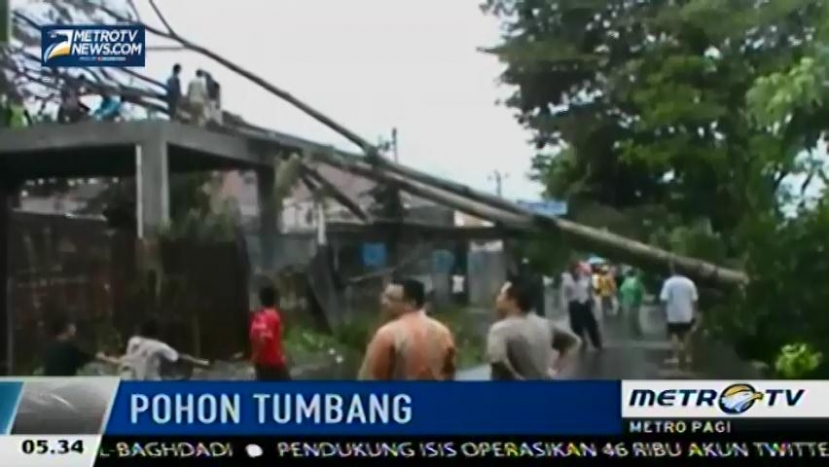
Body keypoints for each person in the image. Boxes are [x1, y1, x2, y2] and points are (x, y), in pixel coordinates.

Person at [358, 279, 455, 380]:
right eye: (384, 296)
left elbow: (370, 378)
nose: (384, 302)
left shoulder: (388, 334)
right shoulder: (443, 332)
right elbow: (449, 375)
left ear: (411, 303)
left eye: (391, 299)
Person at [487, 278, 581, 380]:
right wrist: (554, 369)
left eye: (501, 295)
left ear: (513, 301)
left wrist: (518, 379)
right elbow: (574, 342)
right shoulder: (545, 324)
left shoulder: (499, 329)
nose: (497, 299)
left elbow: (497, 360)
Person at [119, 318, 209, 381]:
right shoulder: (158, 345)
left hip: (130, 379)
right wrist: (198, 361)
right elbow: (178, 356)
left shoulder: (133, 341)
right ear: (156, 333)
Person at [42, 315, 120, 376]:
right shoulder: (69, 348)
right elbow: (91, 357)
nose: (74, 328)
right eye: (72, 325)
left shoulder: (49, 347)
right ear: (67, 328)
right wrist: (112, 360)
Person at [659, 262, 700, 369]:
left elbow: (664, 299)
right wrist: (695, 313)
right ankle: (688, 357)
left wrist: (664, 312)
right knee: (687, 335)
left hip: (672, 314)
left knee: (674, 335)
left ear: (673, 270)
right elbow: (695, 300)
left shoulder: (669, 283)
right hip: (687, 314)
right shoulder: (690, 283)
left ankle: (675, 357)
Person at [249, 285, 291, 381]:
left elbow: (261, 339)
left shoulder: (261, 316)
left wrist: (255, 357)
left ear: (260, 300)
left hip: (265, 364)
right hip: (273, 363)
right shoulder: (274, 316)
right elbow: (267, 339)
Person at [561, 262, 603, 351]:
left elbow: (588, 288)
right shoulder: (567, 279)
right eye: (576, 269)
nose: (578, 271)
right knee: (576, 326)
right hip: (574, 304)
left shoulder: (584, 277)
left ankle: (597, 344)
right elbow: (566, 293)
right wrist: (565, 304)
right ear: (572, 270)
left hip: (584, 302)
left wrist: (591, 298)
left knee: (591, 324)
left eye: (579, 269)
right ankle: (581, 344)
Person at [619, 269, 645, 336]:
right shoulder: (637, 281)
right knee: (635, 318)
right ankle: (638, 332)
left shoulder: (626, 281)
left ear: (628, 275)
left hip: (628, 302)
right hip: (636, 302)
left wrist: (621, 301)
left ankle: (633, 332)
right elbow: (642, 291)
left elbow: (621, 291)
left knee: (630, 318)